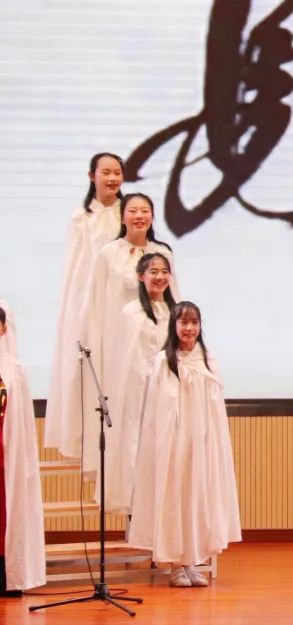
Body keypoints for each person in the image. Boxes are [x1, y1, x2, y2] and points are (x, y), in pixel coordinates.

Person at [128, 302, 241, 588]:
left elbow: (214, 408)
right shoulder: (162, 361)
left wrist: (208, 439)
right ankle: (175, 565)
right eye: (184, 322)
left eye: (194, 322)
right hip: (172, 442)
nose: (189, 328)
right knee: (175, 499)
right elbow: (156, 410)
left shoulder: (207, 360)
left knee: (196, 498)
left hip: (200, 443)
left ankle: (191, 562)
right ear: (174, 326)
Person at [80, 193, 178, 486]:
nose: (139, 216)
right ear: (122, 216)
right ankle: (126, 488)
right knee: (128, 416)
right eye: (133, 211)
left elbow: (174, 298)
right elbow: (96, 306)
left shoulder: (163, 252)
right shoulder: (108, 253)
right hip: (121, 349)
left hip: (157, 344)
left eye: (145, 211)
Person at [45, 153, 125, 459]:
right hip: (88, 300)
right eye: (106, 172)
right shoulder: (81, 216)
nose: (112, 178)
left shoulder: (129, 212)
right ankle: (87, 444)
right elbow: (74, 267)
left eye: (117, 172)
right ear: (92, 176)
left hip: (121, 301)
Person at [102, 253, 177, 513]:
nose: (160, 276)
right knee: (137, 442)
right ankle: (138, 505)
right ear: (140, 276)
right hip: (138, 390)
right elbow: (124, 358)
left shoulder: (175, 311)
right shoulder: (130, 312)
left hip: (169, 391)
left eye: (164, 271)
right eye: (153, 272)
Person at [0, 303, 47, 596]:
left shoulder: (14, 370)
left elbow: (23, 423)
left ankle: (7, 577)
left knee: (6, 516)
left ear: (4, 329)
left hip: (6, 455)